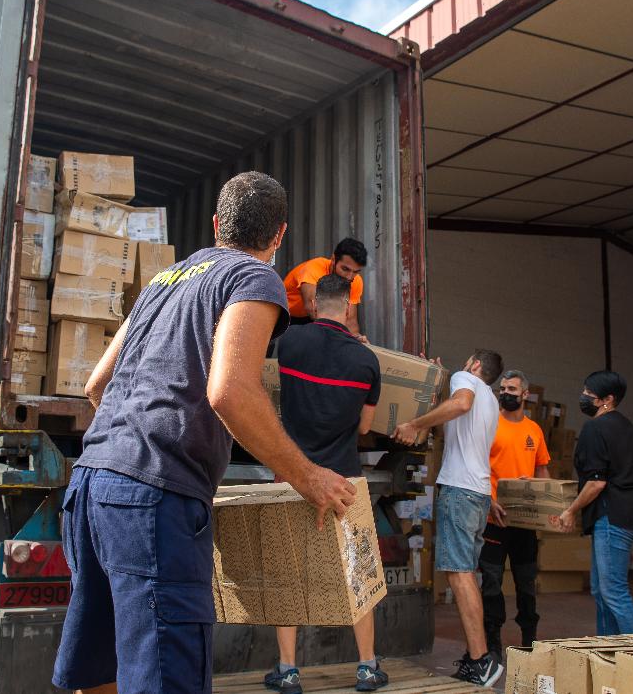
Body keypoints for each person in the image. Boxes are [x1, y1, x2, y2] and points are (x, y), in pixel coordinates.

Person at [52, 172, 356, 694]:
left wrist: (132, 446)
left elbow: (96, 384)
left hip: (90, 487)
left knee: (101, 672)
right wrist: (308, 477)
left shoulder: (164, 280)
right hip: (152, 499)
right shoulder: (253, 277)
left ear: (217, 224)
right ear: (279, 235)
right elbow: (230, 392)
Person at [263, 274, 386, 693]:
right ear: (349, 308)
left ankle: (288, 670)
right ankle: (367, 667)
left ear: (314, 304)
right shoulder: (367, 361)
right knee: (358, 571)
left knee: (287, 573)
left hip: (292, 475)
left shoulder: (290, 343)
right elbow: (365, 427)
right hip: (344, 479)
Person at [391, 350, 504, 687]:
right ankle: (477, 658)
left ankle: (481, 661)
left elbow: (461, 404)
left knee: (460, 574)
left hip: (460, 490)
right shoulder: (491, 399)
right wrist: (438, 384)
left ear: (475, 365)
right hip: (479, 493)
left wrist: (414, 424)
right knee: (466, 573)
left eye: (468, 362)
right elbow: (456, 414)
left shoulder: (465, 380)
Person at [552, 371, 633, 636]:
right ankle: (608, 646)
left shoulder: (595, 428)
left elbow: (596, 482)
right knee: (600, 589)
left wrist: (571, 510)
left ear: (608, 399)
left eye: (589, 394)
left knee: (613, 591)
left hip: (611, 515)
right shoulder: (627, 427)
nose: (584, 397)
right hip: (627, 513)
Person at [480, 370, 549, 654]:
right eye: (503, 388)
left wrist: (544, 500)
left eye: (512, 389)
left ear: (525, 394)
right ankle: (493, 644)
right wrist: (489, 501)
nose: (506, 393)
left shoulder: (534, 430)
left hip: (524, 523)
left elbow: (542, 469)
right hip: (493, 519)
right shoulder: (489, 425)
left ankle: (529, 642)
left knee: (526, 584)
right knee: (491, 583)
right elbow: (477, 468)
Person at [282, 238, 367, 338]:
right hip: (287, 315)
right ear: (333, 259)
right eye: (345, 269)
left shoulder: (356, 280)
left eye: (356, 272)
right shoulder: (313, 269)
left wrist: (355, 339)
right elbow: (312, 309)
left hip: (317, 317)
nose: (349, 277)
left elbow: (350, 320)